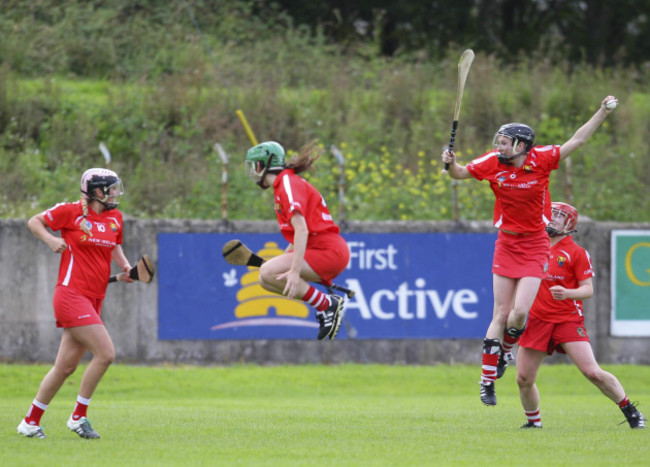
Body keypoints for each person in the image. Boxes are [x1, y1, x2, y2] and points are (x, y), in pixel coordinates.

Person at [441, 96, 618, 406]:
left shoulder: (543, 159)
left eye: (506, 143)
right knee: (500, 313)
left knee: (519, 313)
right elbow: (459, 174)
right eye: (499, 141)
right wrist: (450, 163)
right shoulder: (491, 163)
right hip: (506, 243)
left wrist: (602, 111)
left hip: (535, 244)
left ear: (522, 146)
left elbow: (578, 139)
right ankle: (486, 382)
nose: (500, 147)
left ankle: (506, 350)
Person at [17, 168, 133, 439]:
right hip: (71, 295)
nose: (116, 193)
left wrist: (126, 266)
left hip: (94, 298)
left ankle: (30, 422)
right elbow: (34, 221)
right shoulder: (70, 211)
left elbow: (114, 245)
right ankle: (78, 417)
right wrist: (50, 239)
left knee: (65, 367)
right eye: (111, 188)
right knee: (106, 354)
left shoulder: (115, 217)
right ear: (96, 192)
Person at [517, 202, 645, 429]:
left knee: (592, 373)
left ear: (569, 224)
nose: (551, 219)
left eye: (557, 217)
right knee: (524, 379)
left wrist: (568, 293)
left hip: (567, 320)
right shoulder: (534, 247)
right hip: (538, 320)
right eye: (550, 215)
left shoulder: (576, 253)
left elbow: (588, 290)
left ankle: (630, 410)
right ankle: (533, 423)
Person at [245, 140, 350, 340]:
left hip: (328, 251)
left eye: (253, 167)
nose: (252, 173)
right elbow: (299, 233)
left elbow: (302, 229)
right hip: (323, 250)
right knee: (265, 279)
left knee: (267, 271)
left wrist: (293, 270)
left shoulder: (286, 184)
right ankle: (325, 304)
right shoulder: (283, 184)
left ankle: (327, 304)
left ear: (260, 166)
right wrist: (285, 260)